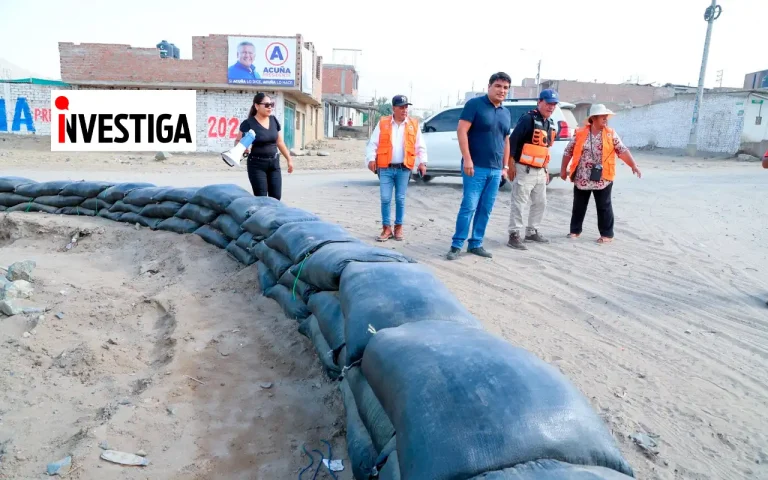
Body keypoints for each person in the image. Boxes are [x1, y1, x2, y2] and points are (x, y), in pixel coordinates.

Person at [446, 72, 512, 260]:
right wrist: (467, 159)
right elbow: (462, 131)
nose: (502, 90)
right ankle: (456, 245)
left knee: (486, 208)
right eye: (498, 86)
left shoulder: (505, 112)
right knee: (469, 206)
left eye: (505, 88)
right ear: (489, 86)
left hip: (496, 170)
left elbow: (506, 140)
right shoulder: (475, 105)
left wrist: (505, 167)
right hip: (475, 167)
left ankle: (476, 243)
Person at [559, 104, 641, 244]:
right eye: (603, 117)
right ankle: (575, 231)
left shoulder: (610, 133)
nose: (605, 119)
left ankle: (607, 234)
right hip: (582, 176)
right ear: (594, 118)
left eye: (606, 117)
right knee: (578, 206)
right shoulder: (580, 133)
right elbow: (568, 151)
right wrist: (563, 169)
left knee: (604, 206)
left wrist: (633, 165)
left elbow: (622, 150)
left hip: (603, 177)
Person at [365, 95, 427, 241]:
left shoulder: (413, 124)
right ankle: (386, 228)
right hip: (385, 168)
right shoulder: (383, 123)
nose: (404, 110)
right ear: (393, 108)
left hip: (404, 169)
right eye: (401, 107)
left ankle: (398, 227)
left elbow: (420, 146)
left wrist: (423, 162)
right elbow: (373, 143)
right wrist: (371, 159)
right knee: (385, 198)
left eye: (406, 107)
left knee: (400, 198)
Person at [505, 88, 560, 250]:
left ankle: (531, 231)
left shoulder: (549, 123)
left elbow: (544, 149)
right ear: (539, 102)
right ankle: (514, 235)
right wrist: (510, 164)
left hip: (540, 170)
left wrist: (546, 169)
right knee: (519, 202)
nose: (551, 107)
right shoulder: (528, 119)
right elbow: (513, 142)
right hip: (524, 168)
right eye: (548, 103)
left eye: (554, 104)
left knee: (540, 202)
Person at [234, 93, 294, 200]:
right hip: (256, 165)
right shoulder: (248, 123)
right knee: (262, 198)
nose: (269, 107)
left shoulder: (273, 120)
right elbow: (238, 141)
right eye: (266, 105)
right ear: (257, 106)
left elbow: (280, 142)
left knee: (276, 198)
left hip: (274, 164)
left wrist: (289, 159)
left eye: (271, 104)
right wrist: (243, 148)